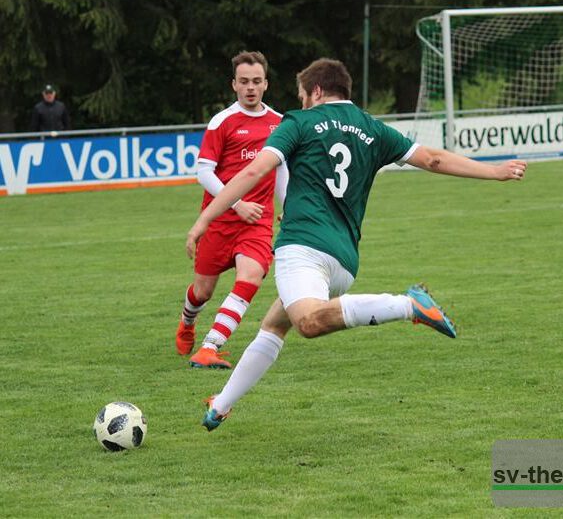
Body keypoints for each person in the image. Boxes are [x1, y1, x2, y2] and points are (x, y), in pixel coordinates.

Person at [185, 58, 527, 430]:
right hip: (344, 261)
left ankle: (408, 304)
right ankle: (221, 404)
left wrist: (204, 219)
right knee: (275, 323)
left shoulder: (299, 122)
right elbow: (433, 158)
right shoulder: (372, 127)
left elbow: (254, 171)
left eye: (302, 95)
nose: (300, 103)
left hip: (302, 247)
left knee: (309, 322)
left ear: (315, 91)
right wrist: (494, 171)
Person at [176, 51, 288, 369]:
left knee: (251, 275)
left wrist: (288, 207)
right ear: (234, 85)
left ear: (265, 84)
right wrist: (236, 204)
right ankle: (187, 323)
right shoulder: (222, 122)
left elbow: (281, 170)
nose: (250, 87)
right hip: (221, 220)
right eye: (244, 82)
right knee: (202, 291)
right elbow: (204, 173)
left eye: (256, 81)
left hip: (257, 221)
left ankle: (211, 346)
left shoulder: (279, 123)